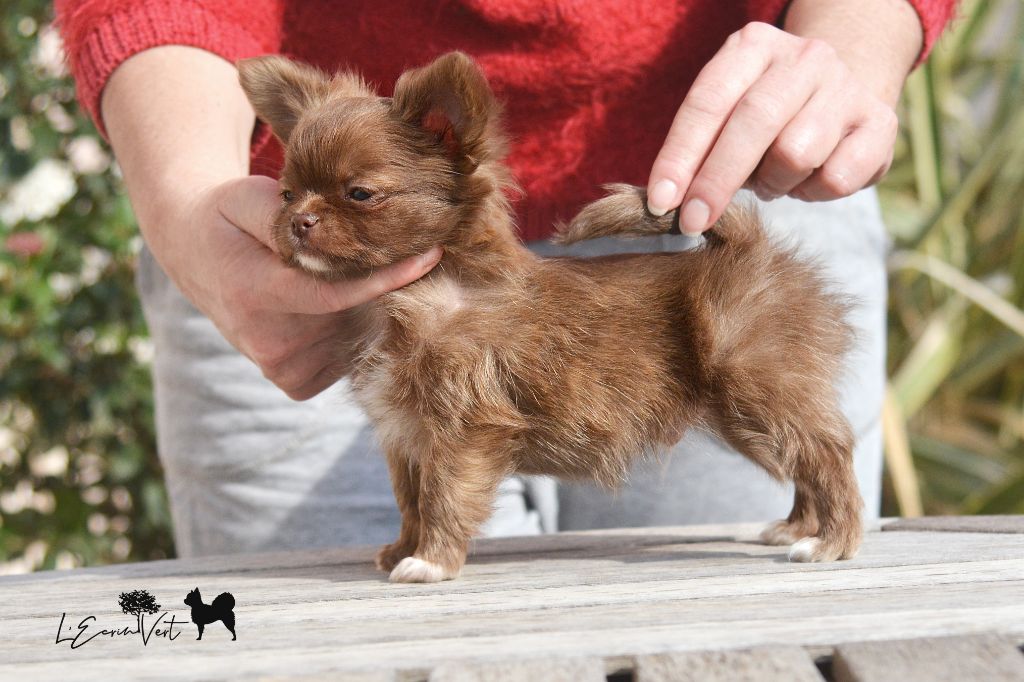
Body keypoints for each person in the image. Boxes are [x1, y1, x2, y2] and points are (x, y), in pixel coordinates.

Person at [55, 0, 955, 557]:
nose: (308, 212)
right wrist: (185, 200)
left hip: (750, 181)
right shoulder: (314, 225)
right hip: (278, 283)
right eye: (298, 191)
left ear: (450, 141)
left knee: (745, 634)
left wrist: (853, 39)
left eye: (356, 195)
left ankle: (824, 518)